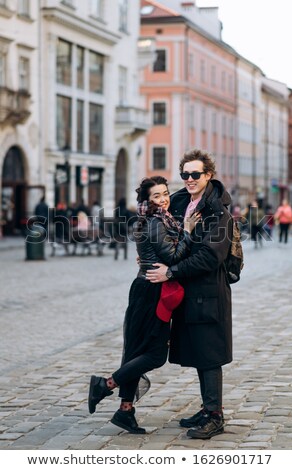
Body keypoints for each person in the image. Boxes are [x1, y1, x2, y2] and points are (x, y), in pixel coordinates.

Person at [88, 176, 200, 434]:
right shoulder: (156, 223)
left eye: (165, 193)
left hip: (151, 289)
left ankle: (125, 411)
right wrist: (188, 232)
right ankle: (104, 385)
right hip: (150, 292)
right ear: (147, 202)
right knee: (155, 355)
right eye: (156, 196)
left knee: (137, 351)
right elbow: (172, 256)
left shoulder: (160, 220)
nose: (163, 199)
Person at [146, 149, 233, 440]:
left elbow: (210, 257)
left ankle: (215, 416)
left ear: (208, 175)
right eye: (185, 174)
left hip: (208, 291)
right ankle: (208, 409)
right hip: (188, 291)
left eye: (196, 174)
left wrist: (170, 272)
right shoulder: (181, 201)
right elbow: (162, 231)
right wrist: (148, 255)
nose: (190, 179)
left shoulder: (217, 211)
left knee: (210, 354)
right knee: (199, 350)